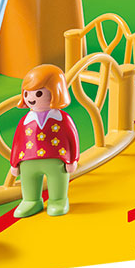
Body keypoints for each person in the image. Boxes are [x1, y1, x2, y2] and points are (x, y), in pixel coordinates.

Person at [9, 64, 80, 217]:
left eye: (39, 93)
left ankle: (58, 200)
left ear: (56, 92)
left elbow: (72, 138)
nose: (31, 99)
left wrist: (72, 159)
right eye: (27, 93)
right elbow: (17, 142)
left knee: (57, 181)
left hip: (57, 159)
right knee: (29, 181)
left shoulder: (62, 118)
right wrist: (14, 163)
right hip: (28, 161)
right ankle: (30, 200)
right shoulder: (26, 120)